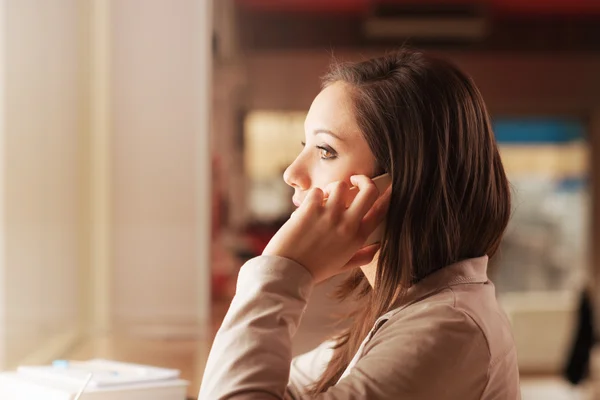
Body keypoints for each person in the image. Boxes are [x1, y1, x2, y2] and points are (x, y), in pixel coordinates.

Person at [200, 49, 520, 399]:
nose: (291, 173)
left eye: (325, 151)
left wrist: (281, 271)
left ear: (400, 183)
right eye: (305, 146)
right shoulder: (406, 308)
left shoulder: (450, 331)